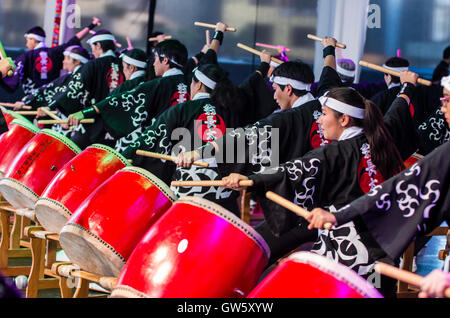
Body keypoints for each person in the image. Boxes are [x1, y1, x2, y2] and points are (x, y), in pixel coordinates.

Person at [37, 29, 125, 149]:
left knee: (70, 154)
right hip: (118, 128)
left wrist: (51, 105)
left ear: (98, 45)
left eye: (92, 47)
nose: (92, 51)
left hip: (94, 124)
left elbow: (74, 89)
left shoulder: (92, 65)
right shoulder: (124, 65)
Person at [0, 18, 101, 96]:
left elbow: (12, 78)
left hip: (32, 100)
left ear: (33, 40)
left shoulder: (26, 56)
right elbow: (75, 40)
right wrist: (92, 25)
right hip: (52, 98)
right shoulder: (55, 52)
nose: (26, 44)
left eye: (27, 40)